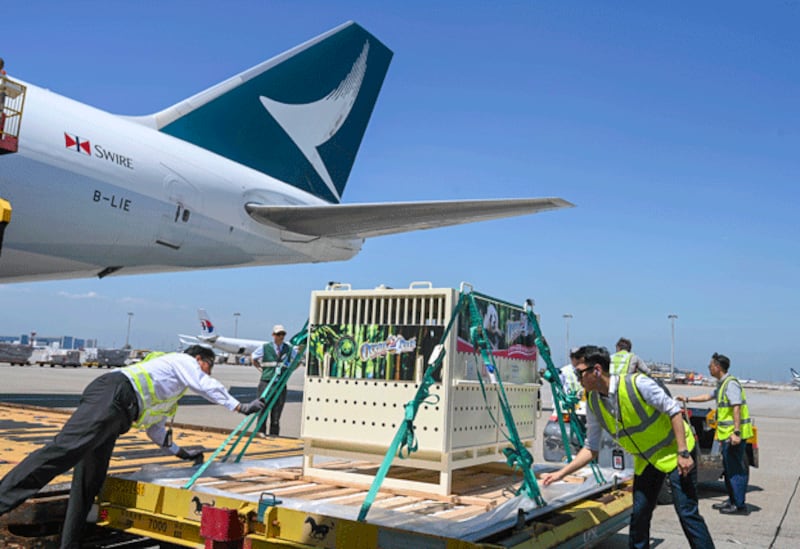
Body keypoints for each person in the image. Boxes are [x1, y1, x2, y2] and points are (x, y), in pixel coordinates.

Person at [0, 345, 265, 548]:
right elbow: (203, 383)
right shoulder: (183, 361)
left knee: (88, 483)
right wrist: (239, 406)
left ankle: (69, 545)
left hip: (117, 413)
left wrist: (181, 453)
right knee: (63, 452)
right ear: (199, 360)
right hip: (113, 396)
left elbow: (156, 429)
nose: (206, 372)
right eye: (208, 367)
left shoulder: (169, 391)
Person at [541, 345, 714, 549]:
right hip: (647, 459)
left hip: (675, 450)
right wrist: (560, 474)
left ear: (596, 370)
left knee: (686, 512)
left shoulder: (637, 384)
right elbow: (591, 448)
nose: (578, 379)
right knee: (639, 513)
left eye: (580, 373)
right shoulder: (593, 402)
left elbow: (674, 411)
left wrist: (683, 452)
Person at [677, 352, 753, 515]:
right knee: (728, 468)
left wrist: (737, 432)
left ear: (718, 367)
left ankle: (739, 505)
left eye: (710, 366)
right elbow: (707, 396)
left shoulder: (730, 384)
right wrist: (687, 399)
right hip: (725, 434)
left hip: (733, 434)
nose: (709, 369)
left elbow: (736, 408)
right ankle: (732, 499)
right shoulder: (722, 384)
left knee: (734, 470)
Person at [251, 324, 297, 437]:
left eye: (283, 334)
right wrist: (261, 369)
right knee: (262, 410)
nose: (281, 336)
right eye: (278, 334)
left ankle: (274, 435)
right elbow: (253, 358)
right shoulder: (265, 347)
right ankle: (260, 432)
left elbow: (298, 360)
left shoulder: (289, 349)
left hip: (280, 384)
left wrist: (289, 371)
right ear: (273, 335)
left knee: (277, 412)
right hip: (266, 382)